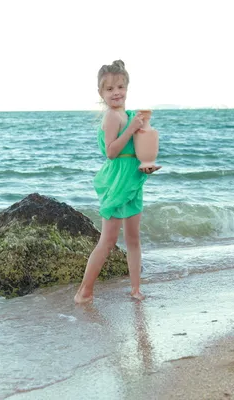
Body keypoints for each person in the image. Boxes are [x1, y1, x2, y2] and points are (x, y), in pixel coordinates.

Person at [74, 60, 157, 304]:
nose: (116, 92)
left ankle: (135, 289)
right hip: (117, 180)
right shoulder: (113, 117)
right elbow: (111, 152)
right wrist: (130, 129)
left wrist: (147, 165)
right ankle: (84, 291)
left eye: (120, 87)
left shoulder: (129, 115)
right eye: (109, 89)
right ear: (101, 93)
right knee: (108, 241)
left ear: (127, 87)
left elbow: (138, 150)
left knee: (133, 239)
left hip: (133, 178)